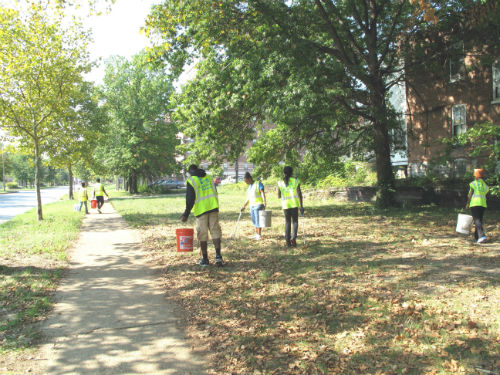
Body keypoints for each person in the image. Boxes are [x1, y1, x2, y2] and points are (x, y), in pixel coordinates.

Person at [180, 164, 223, 266]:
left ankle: (205, 259)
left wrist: (186, 214)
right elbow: (214, 191)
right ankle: (218, 257)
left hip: (201, 211)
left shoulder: (191, 180)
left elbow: (190, 199)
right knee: (215, 231)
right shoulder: (209, 177)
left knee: (202, 234)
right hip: (213, 208)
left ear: (190, 172)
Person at [277, 166, 304, 247]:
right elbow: (299, 194)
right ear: (292, 173)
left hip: (285, 205)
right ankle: (293, 238)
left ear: (284, 173)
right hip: (294, 204)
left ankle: (288, 242)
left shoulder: (280, 182)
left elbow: (278, 196)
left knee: (287, 222)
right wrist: (301, 206)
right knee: (295, 222)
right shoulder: (295, 181)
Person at [240, 172, 267, 240]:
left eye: (246, 181)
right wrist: (244, 206)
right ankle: (256, 234)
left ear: (249, 179)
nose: (246, 183)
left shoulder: (258, 184)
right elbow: (248, 198)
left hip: (258, 205)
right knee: (254, 221)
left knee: (258, 221)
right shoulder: (249, 187)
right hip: (252, 206)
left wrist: (264, 201)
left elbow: (262, 193)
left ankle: (259, 235)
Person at [465, 168, 489, 243]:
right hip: (482, 204)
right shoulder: (485, 185)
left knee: (477, 220)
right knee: (479, 220)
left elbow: (470, 194)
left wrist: (468, 203)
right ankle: (477, 237)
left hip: (475, 203)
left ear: (476, 176)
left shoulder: (473, 183)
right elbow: (485, 193)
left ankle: (482, 236)